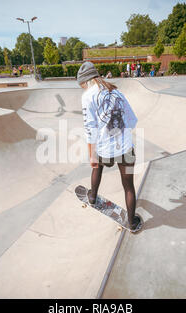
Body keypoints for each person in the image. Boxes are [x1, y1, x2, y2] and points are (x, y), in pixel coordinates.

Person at [77, 62, 141, 231]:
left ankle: (92, 197)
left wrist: (91, 154)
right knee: (129, 186)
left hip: (105, 150)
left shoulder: (87, 96)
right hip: (126, 149)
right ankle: (132, 223)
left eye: (82, 85)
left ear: (86, 81)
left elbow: (90, 128)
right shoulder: (116, 91)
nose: (82, 88)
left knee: (97, 167)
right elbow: (132, 120)